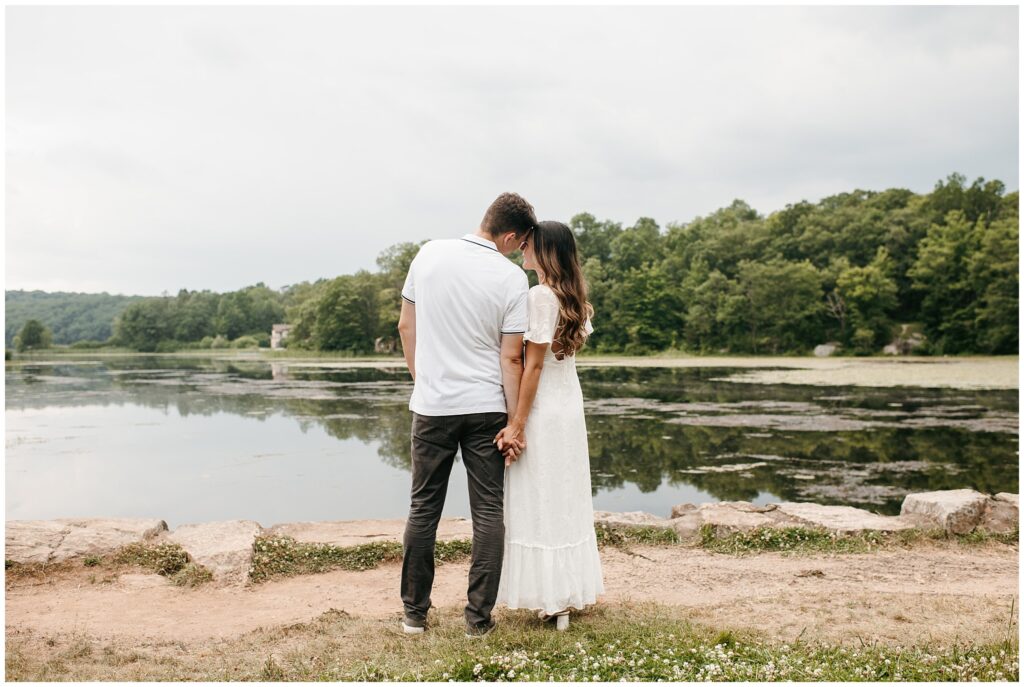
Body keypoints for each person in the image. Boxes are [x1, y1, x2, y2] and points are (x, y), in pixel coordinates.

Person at [397, 192, 535, 639]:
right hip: (486, 408)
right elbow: (511, 358)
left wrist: (425, 382)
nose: (519, 251)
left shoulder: (429, 254)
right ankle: (478, 620)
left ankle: (414, 616)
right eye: (520, 243)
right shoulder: (512, 279)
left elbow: (405, 326)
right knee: (488, 512)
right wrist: (515, 424)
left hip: (433, 406)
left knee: (423, 509)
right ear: (510, 235)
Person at [493, 220, 605, 631]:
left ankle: (554, 598)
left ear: (546, 251)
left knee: (541, 496)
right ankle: (563, 595)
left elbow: (534, 365)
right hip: (569, 408)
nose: (522, 248)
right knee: (564, 496)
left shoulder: (540, 296)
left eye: (529, 244)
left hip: (543, 410)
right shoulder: (573, 297)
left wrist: (517, 424)